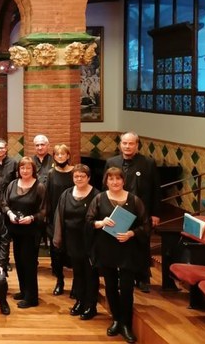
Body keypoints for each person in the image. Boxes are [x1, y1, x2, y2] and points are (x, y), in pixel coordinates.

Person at [86, 167, 149, 343]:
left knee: (127, 288)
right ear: (106, 181)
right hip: (106, 248)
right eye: (111, 179)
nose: (115, 182)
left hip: (127, 249)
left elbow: (146, 225)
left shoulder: (134, 200)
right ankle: (116, 320)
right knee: (111, 286)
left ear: (123, 181)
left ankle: (126, 324)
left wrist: (131, 233)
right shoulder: (99, 199)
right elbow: (89, 221)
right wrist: (101, 223)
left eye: (118, 178)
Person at [105, 131, 160, 293]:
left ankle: (143, 278)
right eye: (124, 143)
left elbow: (156, 190)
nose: (127, 146)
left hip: (141, 211)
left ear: (137, 145)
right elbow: (104, 186)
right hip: (118, 210)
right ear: (120, 144)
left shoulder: (148, 163)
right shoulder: (111, 162)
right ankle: (121, 277)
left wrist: (155, 213)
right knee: (119, 244)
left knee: (141, 244)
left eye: (131, 143)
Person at [52, 164, 100, 320]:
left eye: (82, 176)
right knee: (78, 272)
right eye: (76, 176)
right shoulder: (67, 194)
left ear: (88, 178)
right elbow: (60, 216)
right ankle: (80, 301)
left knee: (90, 274)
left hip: (90, 241)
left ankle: (91, 305)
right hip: (72, 240)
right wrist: (58, 238)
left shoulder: (96, 195)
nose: (79, 179)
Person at [3, 156, 46, 308]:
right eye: (22, 168)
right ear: (18, 170)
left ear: (33, 170)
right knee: (19, 262)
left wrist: (32, 218)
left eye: (28, 168)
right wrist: (10, 214)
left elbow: (44, 210)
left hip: (31, 231)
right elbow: (4, 203)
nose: (25, 170)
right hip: (15, 229)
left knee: (29, 263)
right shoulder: (13, 184)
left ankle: (32, 297)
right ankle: (24, 291)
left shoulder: (39, 187)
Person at [45, 144, 75, 296]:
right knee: (56, 251)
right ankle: (60, 281)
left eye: (63, 154)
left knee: (74, 251)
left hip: (72, 215)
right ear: (54, 157)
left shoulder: (75, 172)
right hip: (55, 218)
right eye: (57, 154)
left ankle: (76, 284)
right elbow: (48, 196)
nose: (60, 157)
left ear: (68, 156)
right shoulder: (51, 173)